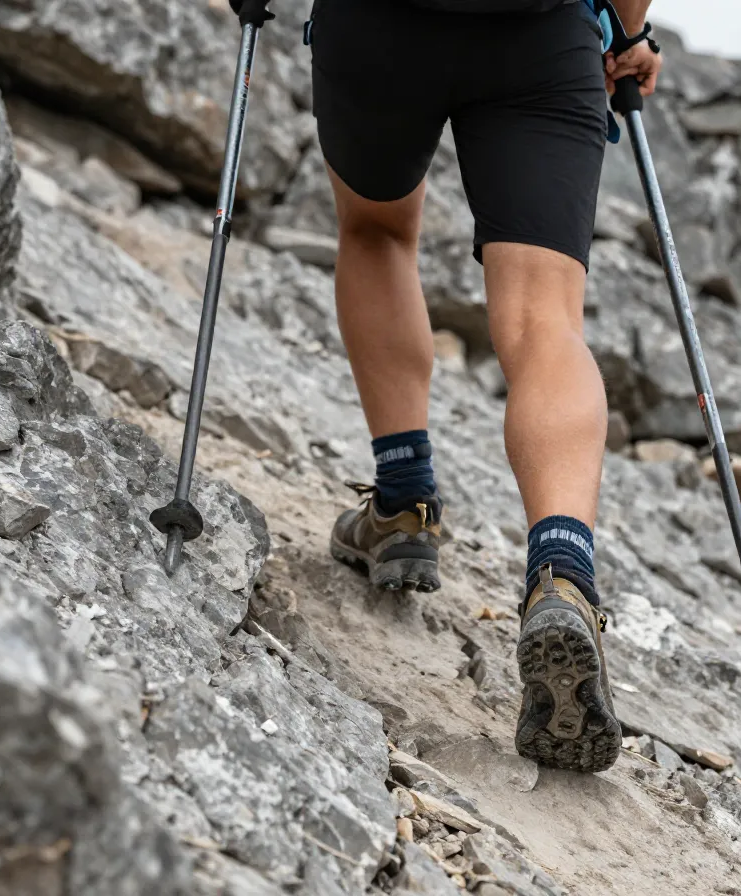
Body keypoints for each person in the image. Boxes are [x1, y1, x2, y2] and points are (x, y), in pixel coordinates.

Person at [231, 0, 663, 774]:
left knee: (376, 230)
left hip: (382, 28)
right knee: (543, 320)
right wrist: (628, 36)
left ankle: (402, 505)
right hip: (542, 29)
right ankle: (561, 574)